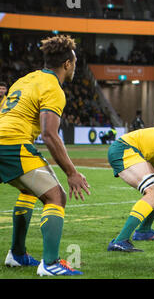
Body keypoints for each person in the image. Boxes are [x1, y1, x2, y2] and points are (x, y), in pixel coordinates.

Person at [0, 35, 90, 275]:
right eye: (75, 63)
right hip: (12, 144)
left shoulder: (25, 79)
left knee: (29, 190)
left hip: (3, 138)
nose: (75, 67)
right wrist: (72, 173)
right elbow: (50, 135)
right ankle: (50, 264)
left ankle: (17, 255)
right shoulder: (53, 88)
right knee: (56, 197)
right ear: (67, 64)